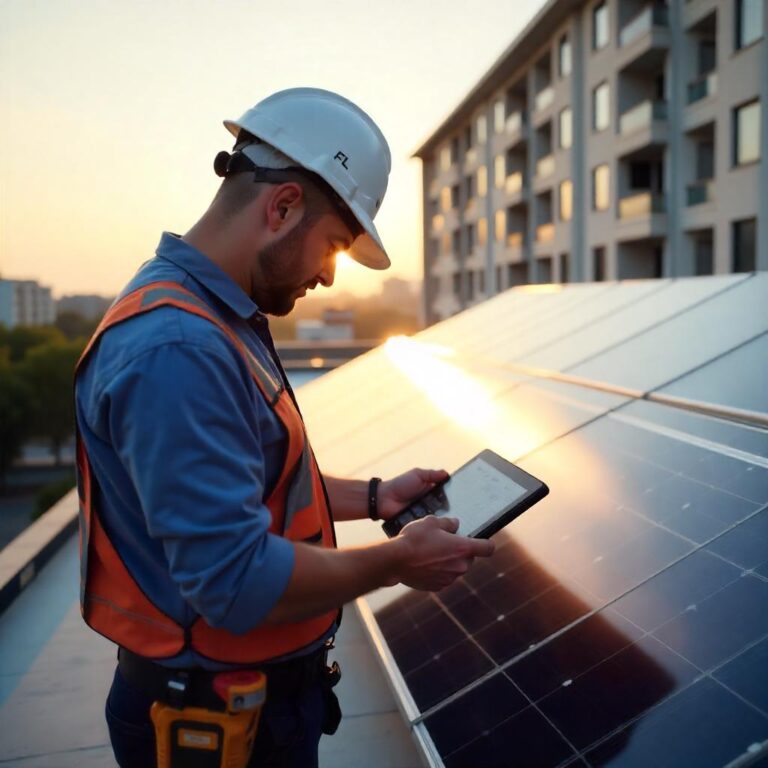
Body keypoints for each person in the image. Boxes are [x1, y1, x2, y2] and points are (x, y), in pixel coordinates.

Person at [74, 87, 494, 768]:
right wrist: (396, 561)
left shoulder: (215, 321)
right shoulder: (181, 349)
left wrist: (377, 496)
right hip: (213, 729)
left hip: (241, 710)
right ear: (282, 207)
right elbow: (234, 580)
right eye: (333, 245)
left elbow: (257, 484)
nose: (329, 276)